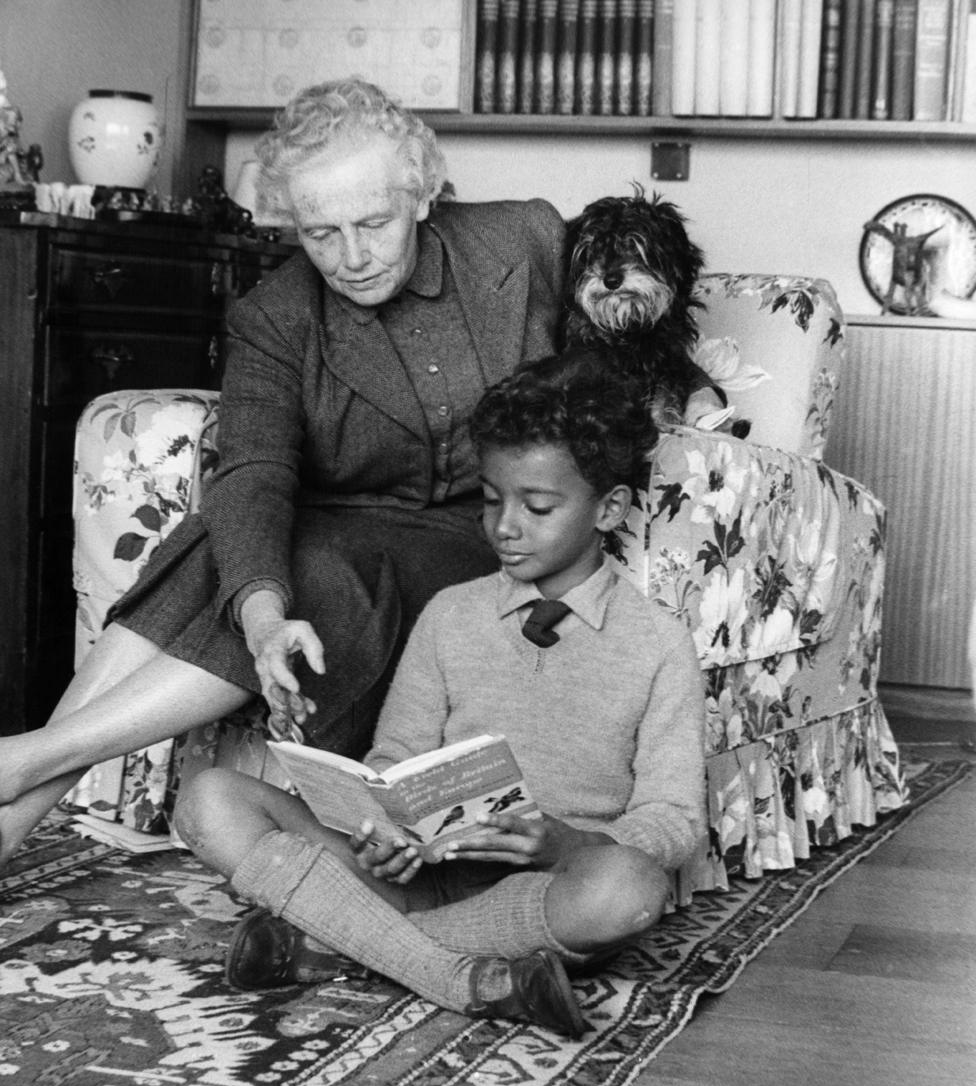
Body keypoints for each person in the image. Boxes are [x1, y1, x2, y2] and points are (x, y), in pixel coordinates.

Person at [0, 79, 565, 866]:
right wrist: (263, 621)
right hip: (340, 517)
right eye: (320, 232)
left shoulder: (524, 241)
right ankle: (12, 818)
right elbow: (256, 469)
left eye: (373, 223)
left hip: (471, 534)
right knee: (225, 543)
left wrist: (689, 386)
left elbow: (634, 314)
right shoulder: (276, 314)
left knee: (315, 568)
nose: (351, 257)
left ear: (424, 194)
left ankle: (24, 762)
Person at [174, 347, 707, 1036]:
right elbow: (397, 755)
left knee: (631, 890)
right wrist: (385, 829)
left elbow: (673, 820)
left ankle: (342, 939)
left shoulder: (659, 643)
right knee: (210, 798)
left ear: (610, 510)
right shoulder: (453, 613)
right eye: (490, 501)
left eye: (537, 506)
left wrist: (570, 844)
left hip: (547, 887)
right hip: (418, 874)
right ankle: (457, 975)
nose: (505, 527)